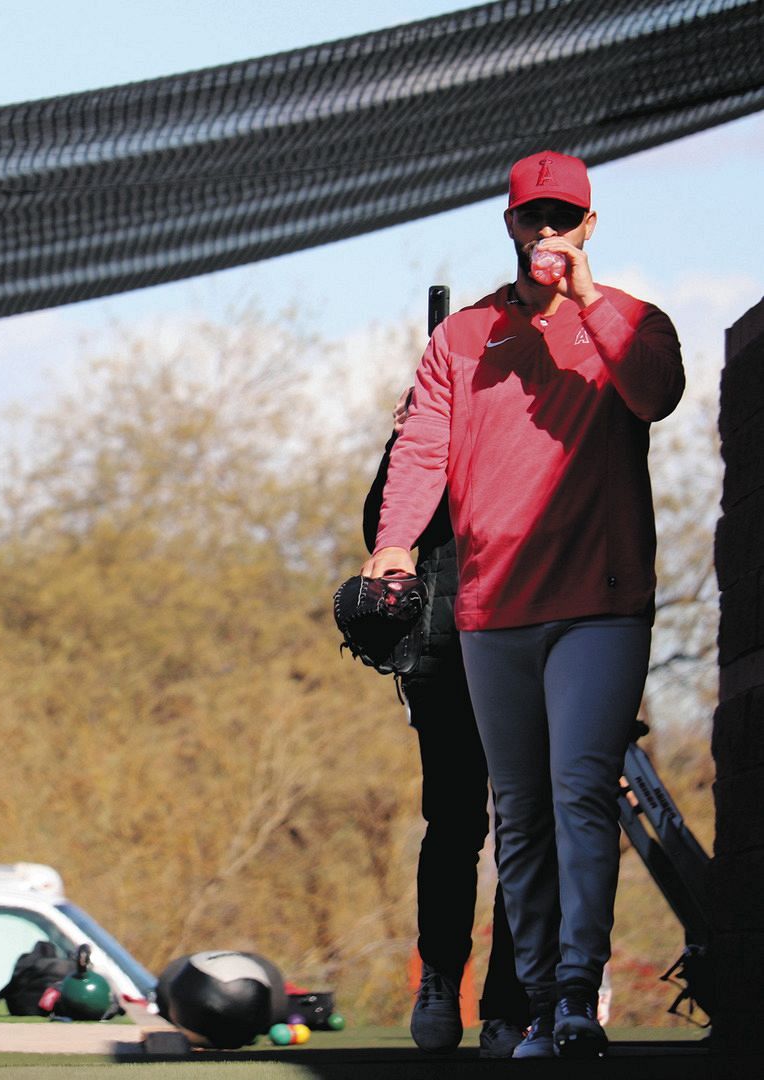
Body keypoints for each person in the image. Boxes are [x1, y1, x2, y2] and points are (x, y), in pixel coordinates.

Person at [361, 151, 683, 1059]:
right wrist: (393, 541)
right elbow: (423, 447)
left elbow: (657, 394)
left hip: (601, 604)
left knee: (581, 792)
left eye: (564, 217)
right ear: (509, 224)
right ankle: (538, 1005)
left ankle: (578, 993)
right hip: (491, 604)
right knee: (519, 812)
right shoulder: (463, 338)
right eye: (531, 216)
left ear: (588, 225)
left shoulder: (631, 321)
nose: (546, 230)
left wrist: (589, 298)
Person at [363, 390, 529, 1058]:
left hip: (524, 642)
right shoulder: (427, 447)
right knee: (455, 824)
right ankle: (439, 982)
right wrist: (400, 441)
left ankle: (511, 1004)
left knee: (524, 826)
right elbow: (383, 527)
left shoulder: (527, 443)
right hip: (445, 652)